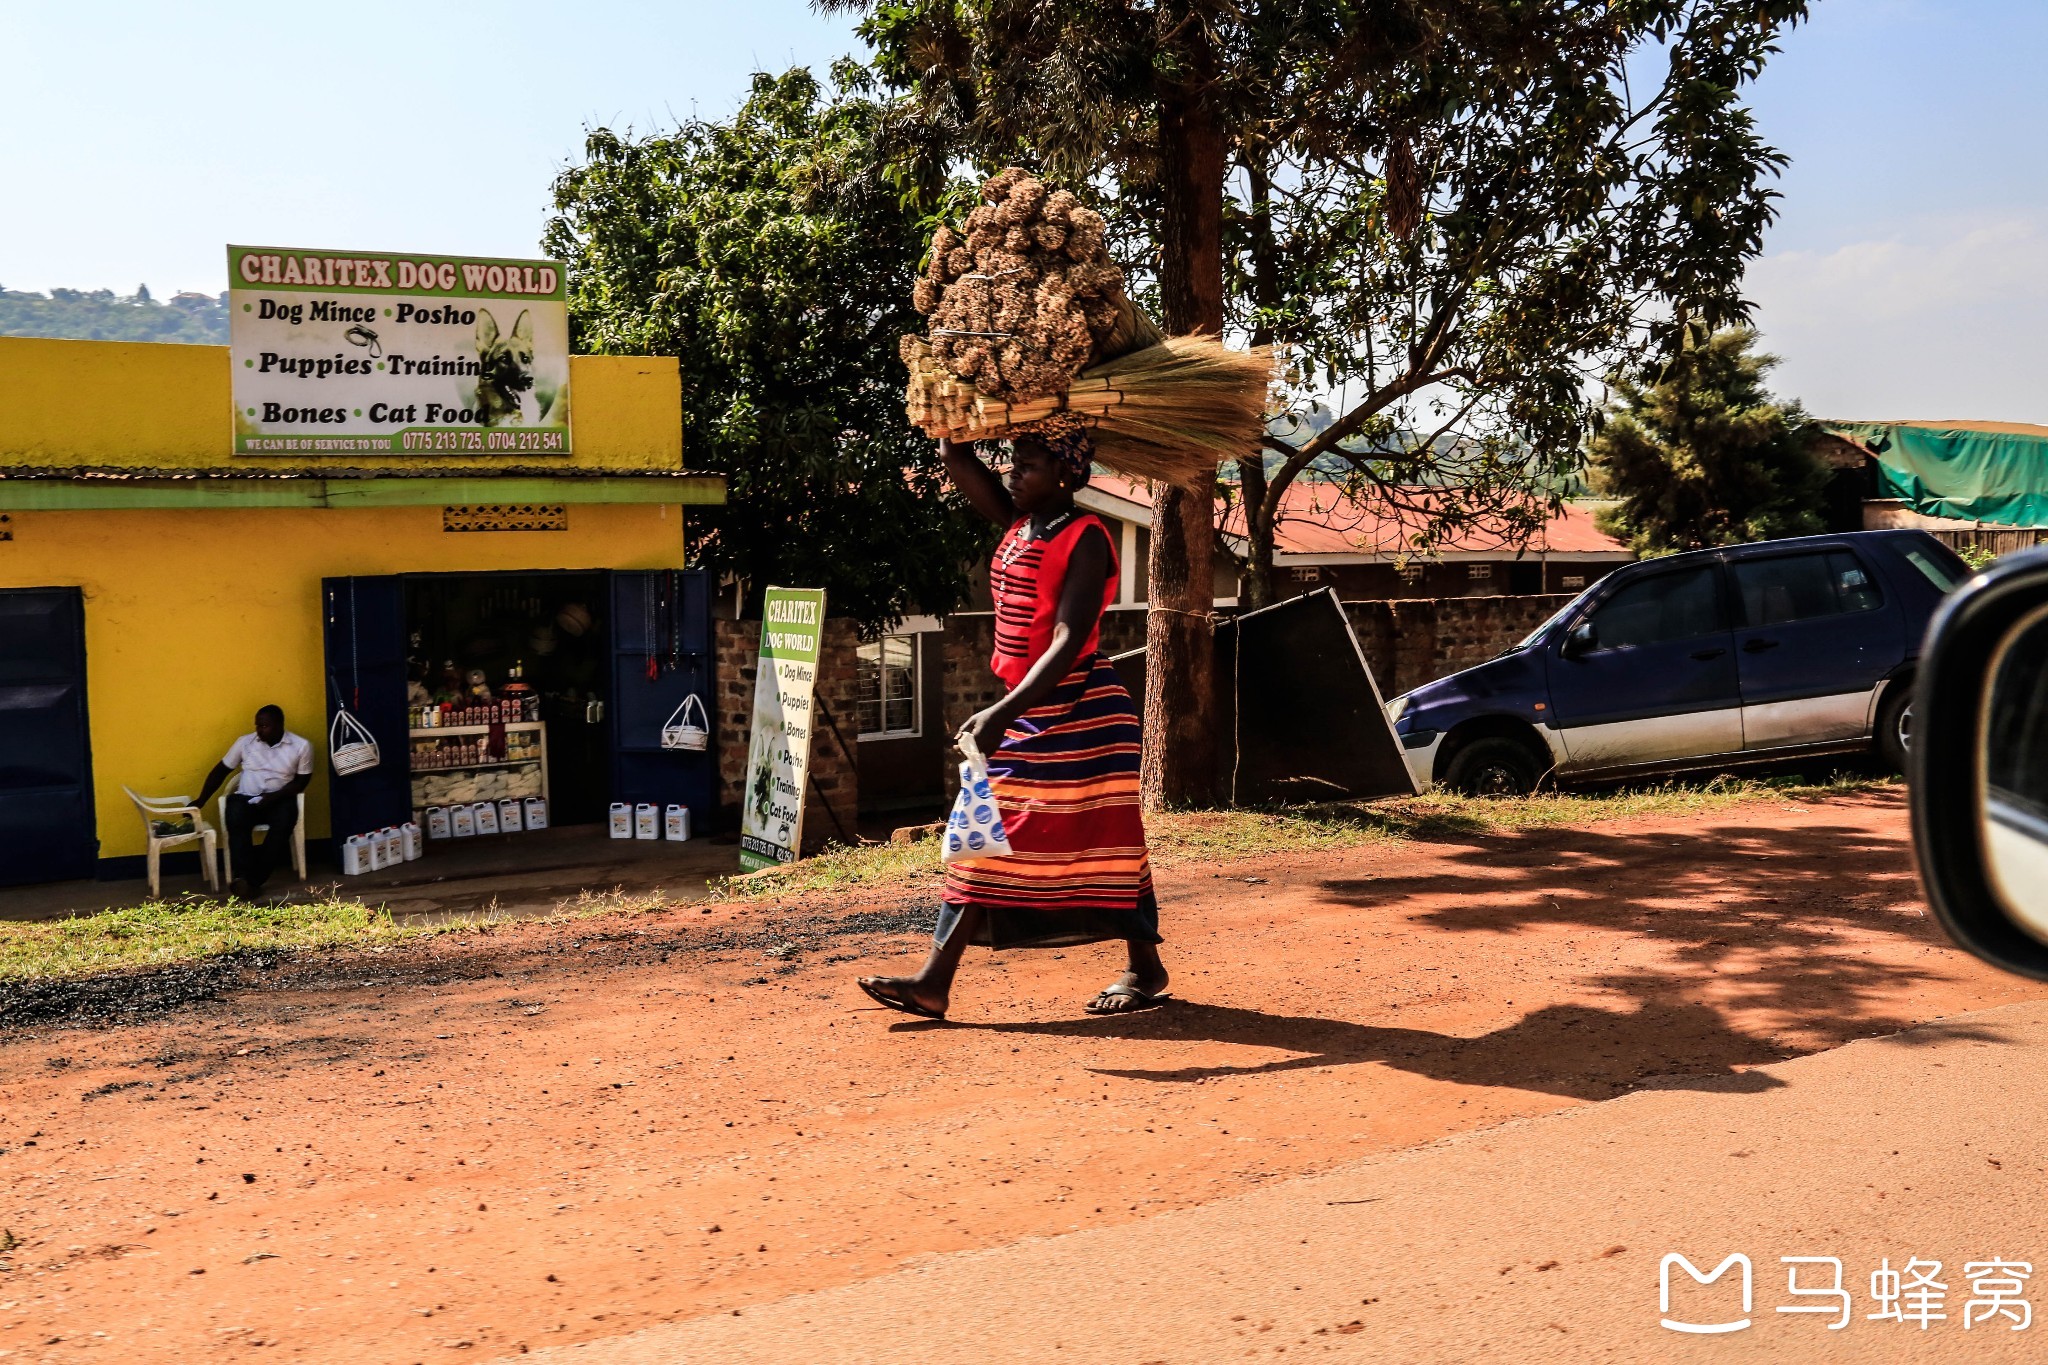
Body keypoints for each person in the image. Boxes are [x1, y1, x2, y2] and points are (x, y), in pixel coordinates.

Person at [857, 426, 1170, 1019]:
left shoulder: (1087, 537)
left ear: (1065, 474)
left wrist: (1004, 711)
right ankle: (1144, 966)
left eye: (1026, 465)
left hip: (1082, 712)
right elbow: (955, 456)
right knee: (1081, 836)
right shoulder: (1019, 524)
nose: (1012, 473)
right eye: (1012, 462)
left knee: (1036, 833)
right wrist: (954, 406)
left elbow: (1069, 638)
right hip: (1035, 707)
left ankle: (933, 980)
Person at [193, 704, 313, 898]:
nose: (259, 731)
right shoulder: (245, 743)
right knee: (235, 817)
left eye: (265, 726)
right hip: (246, 800)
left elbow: (301, 782)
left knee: (284, 823)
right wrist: (201, 799)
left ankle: (252, 881)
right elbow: (220, 771)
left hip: (279, 799)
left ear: (280, 725)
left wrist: (273, 797)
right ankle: (244, 877)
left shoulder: (301, 746)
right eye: (257, 725)